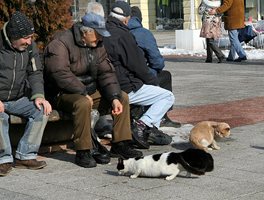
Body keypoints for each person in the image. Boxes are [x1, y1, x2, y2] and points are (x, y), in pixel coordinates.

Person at [44, 10, 143, 168]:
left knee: (122, 97)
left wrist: (114, 97)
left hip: (87, 91)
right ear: (86, 32)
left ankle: (121, 143)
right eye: (98, 34)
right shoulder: (61, 43)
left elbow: (106, 73)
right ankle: (83, 151)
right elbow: (59, 74)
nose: (100, 38)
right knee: (83, 103)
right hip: (62, 93)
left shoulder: (97, 44)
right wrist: (82, 91)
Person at [103, 1, 175, 146]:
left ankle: (148, 129)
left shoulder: (103, 31)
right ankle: (143, 125)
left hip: (107, 84)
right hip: (124, 86)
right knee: (167, 96)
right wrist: (152, 81)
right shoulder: (123, 35)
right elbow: (138, 65)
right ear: (126, 18)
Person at [0, 11, 52, 176]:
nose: (29, 41)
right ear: (14, 36)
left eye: (31, 37)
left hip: (17, 98)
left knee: (42, 111)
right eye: (26, 37)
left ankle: (25, 156)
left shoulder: (30, 47)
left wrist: (39, 96)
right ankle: (3, 160)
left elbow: (35, 73)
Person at [127, 6, 181, 128]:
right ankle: (162, 116)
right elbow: (157, 61)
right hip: (138, 78)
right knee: (165, 76)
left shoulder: (118, 32)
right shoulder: (143, 33)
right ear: (139, 19)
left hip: (120, 79)